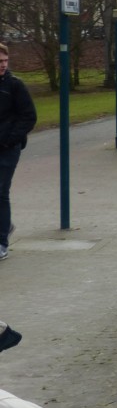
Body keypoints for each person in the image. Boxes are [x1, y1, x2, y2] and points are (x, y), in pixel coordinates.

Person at [0, 43, 37, 261]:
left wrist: (9, 140)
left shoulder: (15, 86)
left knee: (1, 192)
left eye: (5, 61)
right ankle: (5, 224)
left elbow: (29, 116)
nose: (3, 66)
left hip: (8, 149)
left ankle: (2, 243)